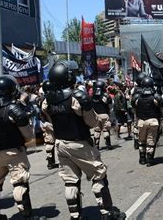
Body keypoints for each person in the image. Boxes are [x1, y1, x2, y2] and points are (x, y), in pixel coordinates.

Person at [42, 62, 125, 220]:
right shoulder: (77, 97)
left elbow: (49, 120)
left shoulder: (47, 100)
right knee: (98, 175)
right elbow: (92, 123)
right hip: (80, 143)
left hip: (61, 144)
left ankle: (75, 215)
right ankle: (107, 213)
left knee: (70, 181)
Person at [0, 76, 36, 219]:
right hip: (14, 151)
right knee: (20, 183)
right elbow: (29, 136)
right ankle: (26, 215)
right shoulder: (12, 108)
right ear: (10, 90)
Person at [132, 77, 162, 166]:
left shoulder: (137, 97)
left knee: (141, 141)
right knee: (151, 140)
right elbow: (162, 109)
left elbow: (134, 109)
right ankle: (149, 159)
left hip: (141, 121)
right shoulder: (156, 96)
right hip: (153, 121)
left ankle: (142, 158)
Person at [40, 80, 59, 170]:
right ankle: (52, 162)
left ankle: (50, 162)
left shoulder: (41, 98)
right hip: (53, 122)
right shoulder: (52, 98)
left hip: (46, 122)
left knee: (49, 142)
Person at [92, 81, 113, 150]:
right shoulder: (104, 96)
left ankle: (96, 146)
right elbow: (109, 101)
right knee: (106, 130)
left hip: (96, 115)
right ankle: (108, 145)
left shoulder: (93, 96)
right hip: (104, 114)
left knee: (97, 131)